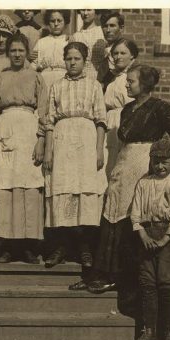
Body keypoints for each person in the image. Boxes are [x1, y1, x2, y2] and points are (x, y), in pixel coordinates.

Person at [89, 64, 170, 295]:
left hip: (144, 162)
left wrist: (164, 157)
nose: (127, 84)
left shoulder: (160, 107)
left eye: (131, 81)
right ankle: (106, 273)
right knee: (112, 213)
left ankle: (126, 276)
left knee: (133, 214)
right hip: (124, 161)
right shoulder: (127, 109)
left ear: (145, 84)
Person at [0, 32, 47, 263]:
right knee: (5, 189)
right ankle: (7, 246)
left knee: (29, 189)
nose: (17, 54)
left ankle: (28, 247)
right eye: (13, 51)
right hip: (5, 134)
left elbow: (45, 112)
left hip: (30, 136)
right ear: (7, 53)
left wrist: (41, 140)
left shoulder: (36, 77)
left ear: (27, 53)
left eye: (21, 50)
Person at [42, 42, 107, 274]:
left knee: (84, 191)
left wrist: (99, 150)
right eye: (68, 58)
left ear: (85, 60)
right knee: (63, 190)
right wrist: (48, 150)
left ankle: (85, 248)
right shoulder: (56, 86)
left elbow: (101, 120)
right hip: (62, 139)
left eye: (77, 59)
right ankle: (61, 247)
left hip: (86, 140)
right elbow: (49, 121)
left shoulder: (94, 86)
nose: (72, 62)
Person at [127, 139, 170, 340]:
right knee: (148, 285)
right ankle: (149, 333)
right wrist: (142, 233)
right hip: (146, 236)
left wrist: (164, 239)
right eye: (156, 162)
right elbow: (135, 212)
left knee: (167, 287)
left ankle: (167, 336)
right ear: (151, 161)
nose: (160, 166)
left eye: (165, 162)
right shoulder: (143, 183)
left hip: (168, 239)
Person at [99, 38, 138, 189]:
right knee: (108, 170)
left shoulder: (135, 77)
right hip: (110, 124)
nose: (118, 56)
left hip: (126, 122)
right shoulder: (111, 79)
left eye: (123, 53)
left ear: (132, 57)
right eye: (115, 53)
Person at [30, 10, 71, 89]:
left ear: (65, 22)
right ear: (48, 23)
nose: (56, 24)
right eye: (52, 21)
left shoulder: (68, 41)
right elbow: (34, 65)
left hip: (64, 79)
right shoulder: (41, 42)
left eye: (59, 21)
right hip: (45, 80)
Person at [70, 9, 107, 79]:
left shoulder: (102, 32)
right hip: (80, 77)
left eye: (89, 10)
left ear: (95, 11)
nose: (85, 13)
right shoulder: (76, 36)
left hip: (101, 76)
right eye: (83, 10)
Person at [98, 12, 125, 86]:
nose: (108, 30)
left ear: (121, 28)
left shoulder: (125, 49)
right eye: (105, 26)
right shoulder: (106, 49)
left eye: (112, 26)